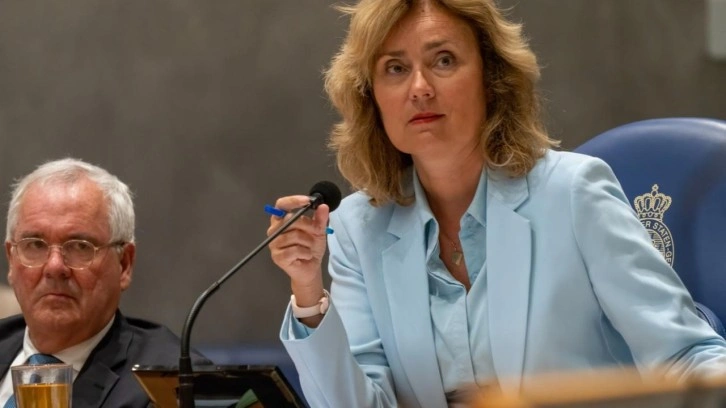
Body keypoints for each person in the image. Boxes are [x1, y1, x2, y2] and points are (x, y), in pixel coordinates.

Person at [267, 0, 726, 407]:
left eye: (443, 60)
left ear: (491, 79)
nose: (420, 87)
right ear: (372, 97)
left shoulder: (574, 193)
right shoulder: (357, 228)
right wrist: (307, 291)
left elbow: (688, 356)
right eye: (395, 68)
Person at [0, 158, 208, 408]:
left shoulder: (174, 386)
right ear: (11, 260)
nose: (55, 267)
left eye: (80, 247)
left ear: (124, 264)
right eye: (35, 245)